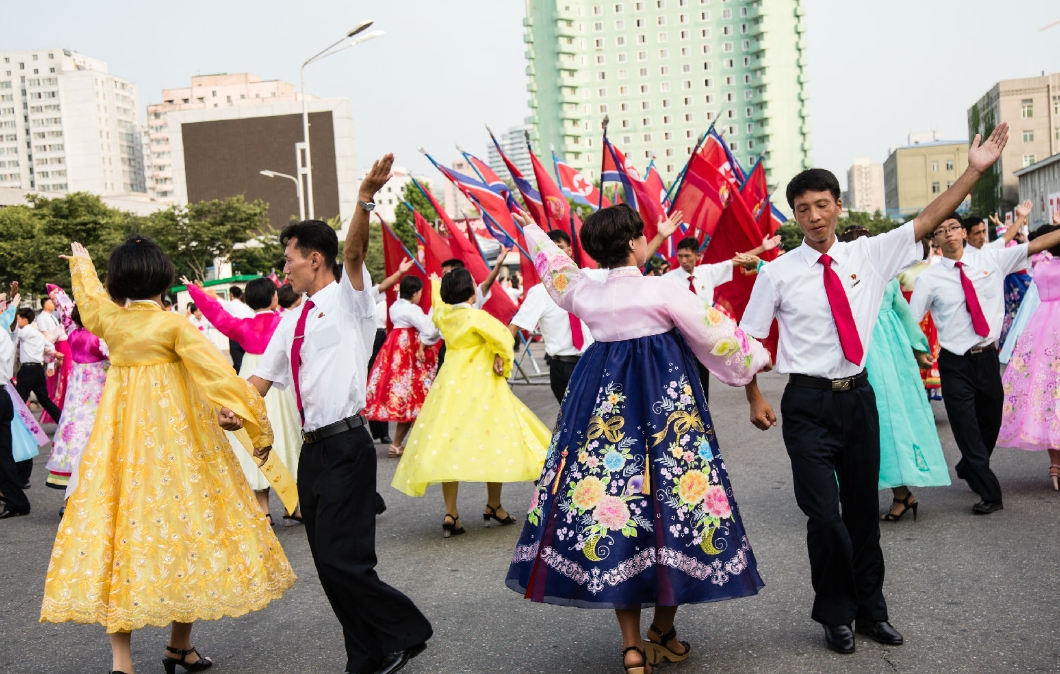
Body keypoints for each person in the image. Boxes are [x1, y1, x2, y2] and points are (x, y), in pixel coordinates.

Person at [741, 123, 1011, 655]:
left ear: (839, 206)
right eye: (803, 209)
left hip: (858, 398)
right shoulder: (777, 274)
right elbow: (747, 338)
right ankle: (834, 614)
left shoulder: (872, 255)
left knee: (864, 514)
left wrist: (974, 171)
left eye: (822, 205)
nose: (814, 217)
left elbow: (931, 216)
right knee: (825, 517)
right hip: (807, 404)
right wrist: (753, 395)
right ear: (794, 216)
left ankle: (871, 612)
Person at [505, 206, 769, 674]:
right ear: (633, 244)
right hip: (667, 411)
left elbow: (554, 267)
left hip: (599, 409)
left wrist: (529, 227)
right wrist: (756, 359)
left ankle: (632, 646)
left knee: (612, 510)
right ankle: (663, 631)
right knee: (677, 505)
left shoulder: (582, 291)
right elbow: (715, 333)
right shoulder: (661, 288)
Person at [41, 235, 295, 674]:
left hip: (119, 447)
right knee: (186, 531)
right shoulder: (174, 326)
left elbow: (89, 297)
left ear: (118, 281)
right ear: (163, 277)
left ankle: (123, 663)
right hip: (177, 446)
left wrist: (81, 266)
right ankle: (179, 646)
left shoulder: (109, 321)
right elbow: (219, 376)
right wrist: (243, 414)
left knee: (118, 536)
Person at [245, 155, 432, 674]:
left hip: (349, 445)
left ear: (315, 260)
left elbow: (353, 250)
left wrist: (364, 200)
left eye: (290, 258)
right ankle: (365, 656)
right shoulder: (289, 321)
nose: (284, 267)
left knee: (345, 561)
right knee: (328, 568)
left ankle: (405, 633)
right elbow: (257, 383)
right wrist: (229, 409)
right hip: (312, 453)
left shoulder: (353, 301)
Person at [910, 211, 1060, 514]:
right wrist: (918, 350)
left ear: (964, 233)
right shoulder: (928, 278)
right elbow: (913, 319)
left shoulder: (991, 259)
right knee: (965, 427)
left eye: (954, 227)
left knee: (990, 422)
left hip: (988, 357)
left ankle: (970, 465)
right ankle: (990, 493)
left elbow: (1037, 244)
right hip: (955, 362)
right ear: (935, 240)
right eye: (941, 231)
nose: (949, 233)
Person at [392, 267, 549, 535]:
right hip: (481, 384)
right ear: (469, 292)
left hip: (450, 384)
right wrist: (502, 358)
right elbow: (502, 337)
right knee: (494, 439)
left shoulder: (443, 316)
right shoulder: (477, 317)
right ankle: (494, 505)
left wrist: (434, 284)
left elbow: (438, 311)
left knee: (446, 444)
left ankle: (451, 512)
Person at [837, 228, 950, 522]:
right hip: (856, 353)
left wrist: (919, 347)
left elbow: (902, 311)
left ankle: (900, 494)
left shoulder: (884, 277)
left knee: (885, 423)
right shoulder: (835, 278)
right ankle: (875, 494)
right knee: (854, 425)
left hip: (884, 357)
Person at [185, 276, 303, 525]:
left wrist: (195, 292)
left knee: (252, 436)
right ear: (274, 297)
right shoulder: (284, 324)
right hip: (278, 386)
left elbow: (216, 314)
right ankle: (293, 504)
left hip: (250, 382)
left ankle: (264, 509)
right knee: (286, 436)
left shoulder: (243, 326)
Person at [662, 234, 768, 400]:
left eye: (688, 256)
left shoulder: (707, 272)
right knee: (682, 383)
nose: (683, 260)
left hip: (704, 338)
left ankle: (704, 419)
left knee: (703, 384)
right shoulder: (668, 279)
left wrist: (762, 248)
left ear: (698, 256)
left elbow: (737, 260)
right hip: (680, 339)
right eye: (680, 256)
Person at [997, 218, 1060, 488]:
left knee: (1046, 394)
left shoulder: (1041, 263)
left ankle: (1055, 465)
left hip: (1041, 328)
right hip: (1049, 330)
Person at [508, 229, 598, 403]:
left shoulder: (591, 278)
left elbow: (629, 267)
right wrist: (499, 356)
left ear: (570, 251)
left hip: (595, 363)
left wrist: (661, 236)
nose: (555, 254)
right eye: (550, 250)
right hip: (563, 368)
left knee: (600, 421)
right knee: (571, 422)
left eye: (559, 248)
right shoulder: (539, 293)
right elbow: (515, 326)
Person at [365, 275, 441, 457]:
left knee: (409, 401)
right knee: (416, 398)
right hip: (410, 354)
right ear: (415, 293)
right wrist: (435, 309)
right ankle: (410, 444)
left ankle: (398, 444)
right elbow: (429, 329)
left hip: (396, 351)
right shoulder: (411, 310)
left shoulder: (395, 307)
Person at [44, 296, 110, 500]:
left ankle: (70, 499)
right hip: (96, 394)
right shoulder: (98, 339)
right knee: (94, 438)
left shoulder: (73, 333)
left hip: (75, 396)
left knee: (74, 436)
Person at [366, 257, 416, 446]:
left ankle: (384, 433)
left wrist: (400, 272)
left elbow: (382, 287)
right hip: (356, 343)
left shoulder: (367, 296)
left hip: (377, 338)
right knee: (368, 386)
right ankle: (373, 430)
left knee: (379, 381)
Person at [14, 307, 62, 487]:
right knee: (45, 400)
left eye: (18, 319)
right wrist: (55, 355)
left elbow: (11, 334)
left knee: (18, 401)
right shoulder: (36, 333)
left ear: (25, 320)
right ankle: (60, 420)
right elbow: (50, 347)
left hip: (27, 370)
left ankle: (21, 427)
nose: (17, 322)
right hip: (37, 370)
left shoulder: (25, 331)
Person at [0, 294, 31, 519]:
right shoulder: (4, 334)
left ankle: (15, 499)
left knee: (3, 454)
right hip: (3, 394)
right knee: (3, 454)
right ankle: (16, 500)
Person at [222, 285, 255, 373]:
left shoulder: (230, 304)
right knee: (246, 361)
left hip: (235, 336)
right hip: (247, 336)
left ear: (231, 295)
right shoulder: (247, 307)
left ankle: (240, 382)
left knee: (237, 363)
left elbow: (216, 300)